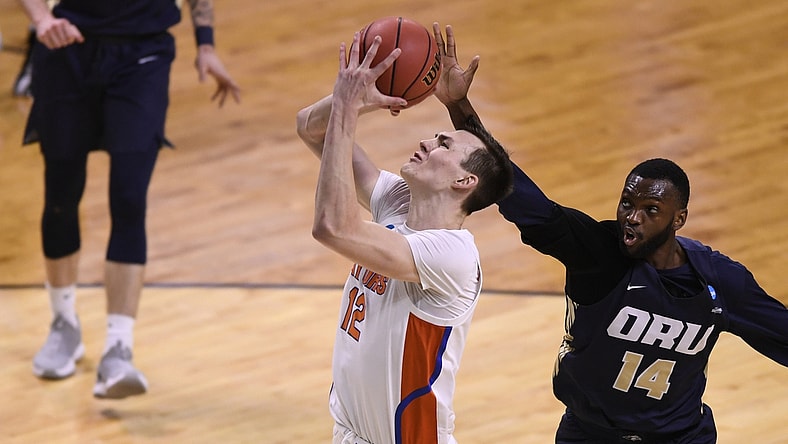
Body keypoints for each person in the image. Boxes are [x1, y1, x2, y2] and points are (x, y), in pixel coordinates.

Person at [432, 23, 788, 443]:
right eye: (627, 204)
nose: (632, 217)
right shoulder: (597, 253)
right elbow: (519, 195)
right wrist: (460, 107)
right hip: (589, 432)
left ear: (679, 219)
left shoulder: (719, 281)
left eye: (651, 210)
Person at [296, 32, 513, 444]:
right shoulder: (398, 202)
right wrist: (352, 98)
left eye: (443, 144)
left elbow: (332, 227)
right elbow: (310, 130)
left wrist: (347, 109)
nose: (427, 141)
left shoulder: (451, 256)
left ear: (465, 180)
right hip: (351, 434)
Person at [17, 0, 241, 399]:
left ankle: (119, 349)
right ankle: (63, 324)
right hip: (65, 51)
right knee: (61, 195)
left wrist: (205, 45)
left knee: (128, 197)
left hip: (143, 56)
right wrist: (41, 18)